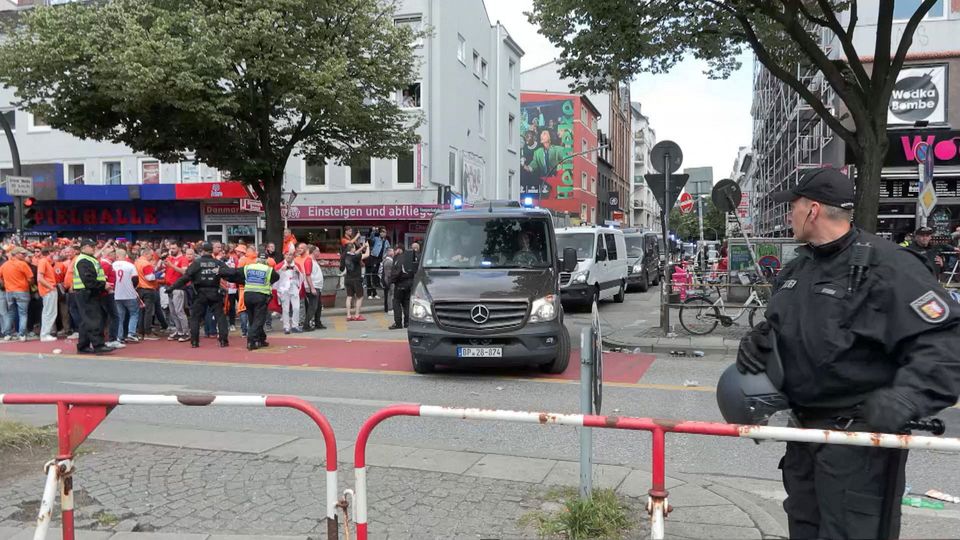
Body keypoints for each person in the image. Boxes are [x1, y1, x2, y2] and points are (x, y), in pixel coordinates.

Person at [736, 168, 960, 539]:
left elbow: (945, 341)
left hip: (858, 444)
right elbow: (787, 325)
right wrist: (760, 340)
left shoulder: (890, 267)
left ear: (812, 210)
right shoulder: (798, 267)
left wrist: (905, 397)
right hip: (805, 439)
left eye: (791, 207)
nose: (787, 214)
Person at [167, 242, 231, 348]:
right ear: (212, 251)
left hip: (200, 293)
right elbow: (229, 273)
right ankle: (223, 341)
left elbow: (185, 277)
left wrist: (171, 288)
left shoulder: (197, 263)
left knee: (195, 317)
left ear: (202, 251)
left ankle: (194, 342)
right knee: (220, 316)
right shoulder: (217, 263)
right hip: (214, 292)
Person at [72, 239, 113, 354]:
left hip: (88, 292)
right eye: (91, 246)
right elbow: (88, 280)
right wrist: (103, 285)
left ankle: (83, 345)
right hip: (87, 292)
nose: (94, 248)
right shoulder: (84, 260)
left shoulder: (87, 258)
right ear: (84, 247)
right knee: (94, 319)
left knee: (87, 320)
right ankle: (98, 345)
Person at [238, 251, 279, 350]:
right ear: (267, 260)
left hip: (248, 296)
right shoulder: (268, 269)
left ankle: (260, 339)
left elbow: (235, 273)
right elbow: (276, 277)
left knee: (252, 319)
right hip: (260, 297)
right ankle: (251, 340)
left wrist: (220, 271)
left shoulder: (249, 267)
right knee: (259, 320)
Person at [0, 247, 35, 341]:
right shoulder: (22, 264)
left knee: (11, 313)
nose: (24, 255)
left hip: (9, 292)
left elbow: (0, 277)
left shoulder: (5, 265)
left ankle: (7, 334)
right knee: (23, 313)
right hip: (22, 291)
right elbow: (31, 278)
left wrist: (4, 284)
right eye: (22, 254)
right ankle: (22, 334)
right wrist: (28, 284)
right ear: (16, 254)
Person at [112, 249, 141, 344]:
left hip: (116, 294)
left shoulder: (112, 265)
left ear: (117, 256)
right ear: (126, 256)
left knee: (120, 316)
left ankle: (119, 336)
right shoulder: (130, 265)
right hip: (129, 294)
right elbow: (135, 279)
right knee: (134, 313)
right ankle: (131, 334)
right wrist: (133, 288)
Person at [163, 244, 190, 342]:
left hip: (178, 288)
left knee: (179, 311)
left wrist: (171, 265)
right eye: (170, 248)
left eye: (173, 248)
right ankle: (179, 331)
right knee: (173, 312)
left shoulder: (183, 259)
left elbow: (184, 272)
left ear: (179, 248)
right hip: (169, 287)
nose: (171, 250)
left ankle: (186, 332)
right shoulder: (170, 258)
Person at [390, 241, 419, 330]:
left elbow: (397, 271)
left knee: (396, 302)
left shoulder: (399, 258)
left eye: (396, 249)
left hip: (400, 283)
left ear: (399, 250)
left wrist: (391, 280)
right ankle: (407, 322)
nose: (394, 251)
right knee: (406, 302)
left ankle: (398, 323)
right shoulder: (411, 257)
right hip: (410, 283)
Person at [98, 245, 123, 349]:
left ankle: (104, 338)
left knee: (105, 317)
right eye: (113, 252)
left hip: (105, 293)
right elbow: (104, 280)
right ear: (109, 255)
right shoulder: (106, 265)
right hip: (107, 293)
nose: (115, 254)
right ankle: (112, 339)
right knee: (114, 316)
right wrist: (108, 289)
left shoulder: (105, 264)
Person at [274, 250, 304, 334]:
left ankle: (295, 325)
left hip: (293, 286)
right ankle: (286, 327)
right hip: (283, 288)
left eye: (290, 255)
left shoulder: (296, 265)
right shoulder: (280, 265)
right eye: (287, 255)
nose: (288, 256)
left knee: (296, 307)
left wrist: (298, 272)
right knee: (285, 308)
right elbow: (274, 277)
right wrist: (280, 270)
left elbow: (302, 276)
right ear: (284, 256)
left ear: (293, 256)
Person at [135, 248, 160, 337]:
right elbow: (150, 278)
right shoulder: (146, 264)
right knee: (148, 312)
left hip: (139, 289)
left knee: (141, 311)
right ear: (147, 254)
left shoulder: (137, 262)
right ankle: (148, 332)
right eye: (151, 255)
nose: (152, 257)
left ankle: (140, 331)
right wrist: (157, 274)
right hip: (148, 289)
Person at [36, 247, 58, 342]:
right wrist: (51, 287)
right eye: (53, 252)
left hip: (47, 290)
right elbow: (39, 278)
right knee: (50, 313)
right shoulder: (43, 261)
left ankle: (45, 334)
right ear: (49, 252)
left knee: (48, 312)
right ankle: (45, 334)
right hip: (48, 290)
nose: (55, 254)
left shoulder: (45, 262)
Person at [343, 241, 369, 321]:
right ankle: (357, 315)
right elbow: (367, 255)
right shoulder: (356, 257)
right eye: (354, 247)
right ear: (352, 249)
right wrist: (367, 247)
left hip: (348, 278)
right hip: (356, 279)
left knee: (349, 297)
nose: (355, 249)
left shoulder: (346, 255)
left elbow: (355, 253)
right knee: (360, 297)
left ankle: (348, 315)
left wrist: (362, 247)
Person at [302, 245, 325, 331]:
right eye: (318, 251)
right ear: (314, 252)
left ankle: (317, 322)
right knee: (313, 306)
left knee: (318, 306)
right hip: (314, 286)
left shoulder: (313, 261)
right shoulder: (309, 260)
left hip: (316, 286)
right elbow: (308, 275)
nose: (319, 253)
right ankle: (306, 324)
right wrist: (312, 288)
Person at [367, 227, 390, 299]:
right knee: (370, 275)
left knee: (375, 276)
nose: (383, 233)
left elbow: (388, 250)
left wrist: (385, 256)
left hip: (380, 260)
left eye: (384, 232)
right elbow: (371, 238)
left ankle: (374, 293)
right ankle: (369, 293)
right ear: (380, 233)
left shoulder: (386, 241)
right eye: (382, 232)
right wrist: (374, 231)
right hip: (373, 258)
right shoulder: (376, 239)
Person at [381, 247, 395, 314]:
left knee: (389, 294)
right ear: (389, 252)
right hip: (389, 281)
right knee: (390, 294)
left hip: (388, 280)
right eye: (392, 251)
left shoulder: (387, 260)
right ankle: (390, 308)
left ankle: (388, 308)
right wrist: (389, 282)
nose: (393, 252)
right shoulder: (389, 261)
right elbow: (388, 274)